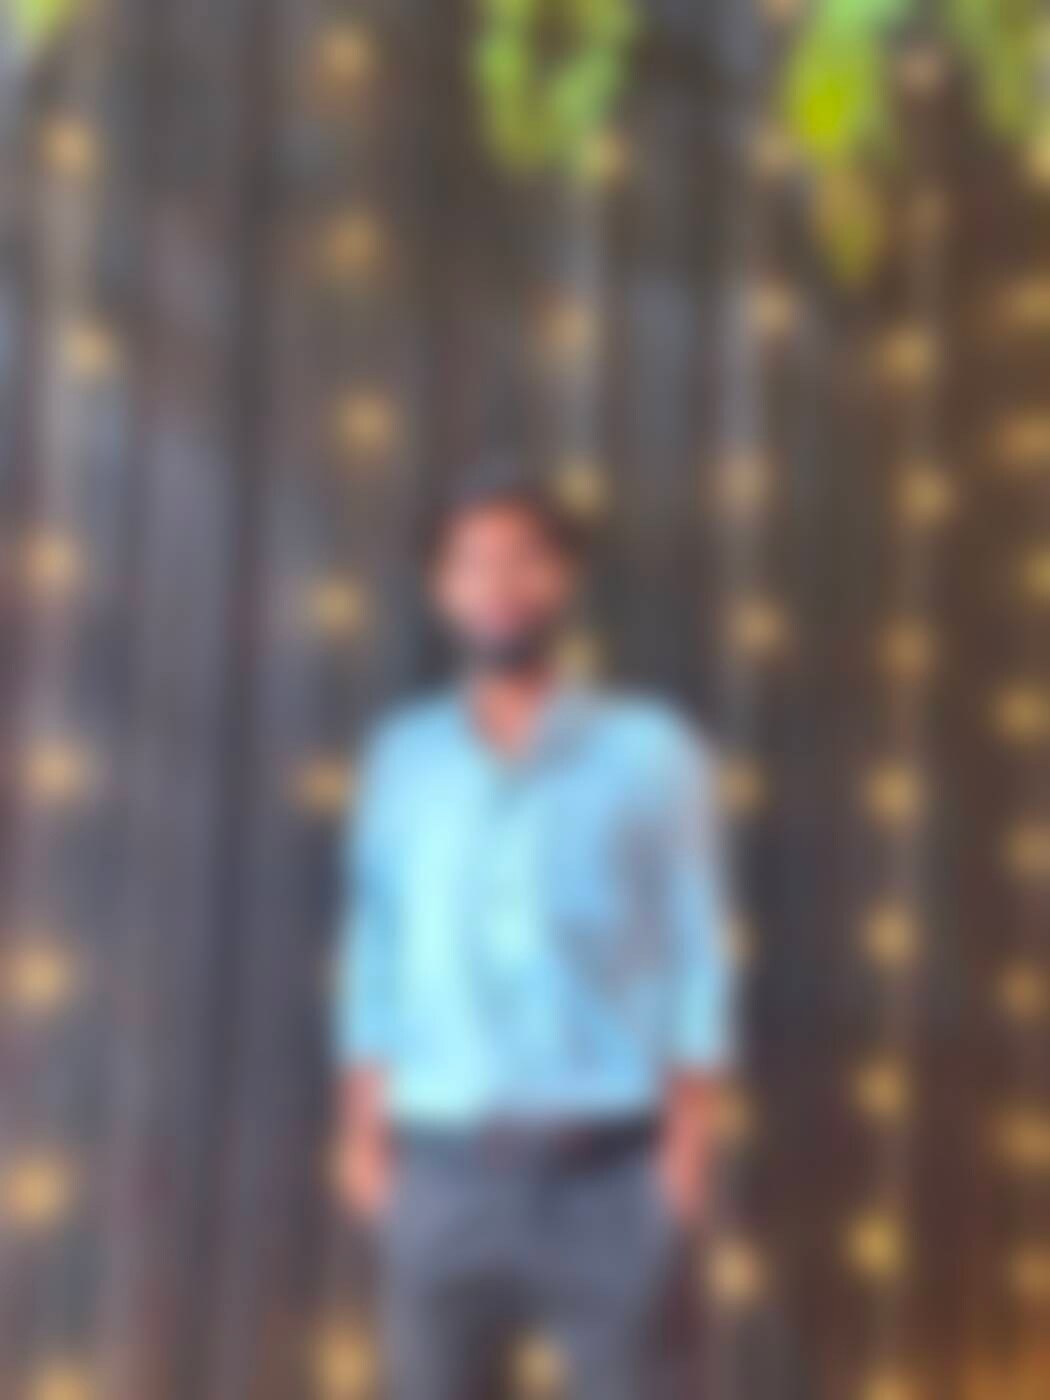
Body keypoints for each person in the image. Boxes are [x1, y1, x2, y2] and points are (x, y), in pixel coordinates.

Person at [334, 472, 734, 1400]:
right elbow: (376, 954)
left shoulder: (652, 750)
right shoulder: (403, 757)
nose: (498, 583)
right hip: (441, 1172)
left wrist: (684, 1153)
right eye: (471, 563)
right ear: (442, 589)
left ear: (564, 578)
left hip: (610, 1173)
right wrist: (363, 1135)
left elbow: (695, 955)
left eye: (524, 558)